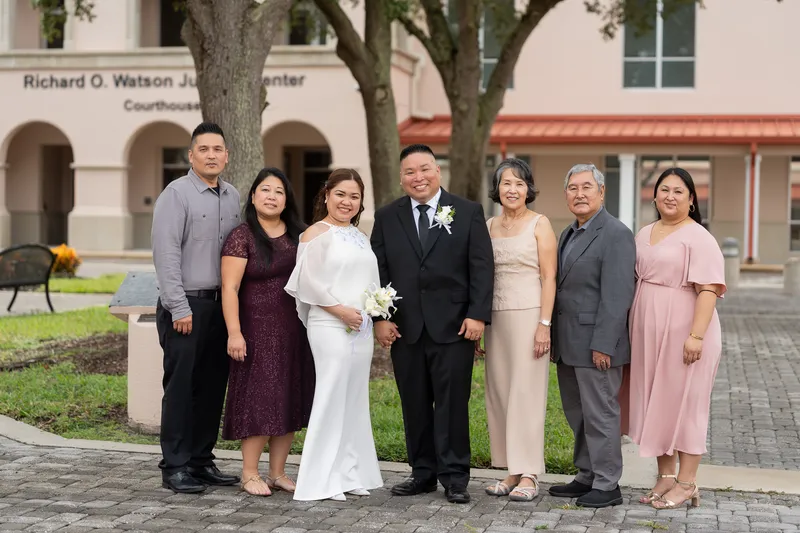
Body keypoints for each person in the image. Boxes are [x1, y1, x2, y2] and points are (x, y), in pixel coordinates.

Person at [370, 144, 494, 504]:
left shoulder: (467, 211)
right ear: (401, 177)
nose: (417, 177)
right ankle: (422, 473)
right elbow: (379, 270)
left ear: (438, 172)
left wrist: (477, 314)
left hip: (454, 326)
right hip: (405, 327)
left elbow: (482, 268)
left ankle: (455, 477)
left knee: (453, 403)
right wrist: (381, 318)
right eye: (410, 172)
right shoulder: (387, 216)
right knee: (414, 403)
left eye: (424, 169)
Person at [622, 168, 726, 509]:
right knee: (658, 401)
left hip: (687, 331)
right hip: (649, 334)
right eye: (664, 189)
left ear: (692, 199)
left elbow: (709, 289)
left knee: (688, 404)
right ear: (653, 197)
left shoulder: (699, 238)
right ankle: (665, 476)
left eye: (679, 191)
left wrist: (696, 336)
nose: (670, 196)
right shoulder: (644, 232)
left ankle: (687, 482)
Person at [151, 122, 241, 493]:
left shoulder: (233, 196)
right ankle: (174, 466)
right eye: (203, 149)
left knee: (211, 387)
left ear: (226, 155)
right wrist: (178, 307)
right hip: (185, 305)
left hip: (221, 308)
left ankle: (201, 460)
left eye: (217, 149)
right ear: (191, 155)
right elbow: (166, 252)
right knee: (181, 387)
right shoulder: (176, 194)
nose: (211, 155)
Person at [284, 168, 383, 502]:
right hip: (330, 325)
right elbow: (308, 283)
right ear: (326, 194)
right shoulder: (315, 233)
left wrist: (372, 308)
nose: (347, 201)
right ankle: (320, 479)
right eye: (341, 194)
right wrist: (340, 310)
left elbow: (369, 279)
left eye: (354, 196)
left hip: (360, 327)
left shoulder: (359, 236)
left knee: (354, 399)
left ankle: (349, 472)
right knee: (330, 395)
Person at [219, 168, 315, 497]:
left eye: (279, 191)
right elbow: (229, 289)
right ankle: (249, 473)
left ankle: (277, 473)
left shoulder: (300, 235)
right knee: (260, 401)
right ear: (254, 196)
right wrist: (234, 333)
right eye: (265, 189)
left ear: (287, 200)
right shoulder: (241, 236)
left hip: (294, 330)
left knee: (289, 398)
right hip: (255, 331)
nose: (271, 196)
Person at [548, 163, 635, 508]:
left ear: (602, 192)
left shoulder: (615, 233)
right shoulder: (569, 232)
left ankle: (608, 483)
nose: (579, 194)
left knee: (601, 414)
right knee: (578, 414)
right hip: (569, 344)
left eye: (587, 187)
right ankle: (587, 475)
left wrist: (604, 344)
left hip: (597, 345)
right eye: (573, 188)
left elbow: (617, 296)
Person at [482, 158, 557, 502]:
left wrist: (544, 324)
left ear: (529, 189)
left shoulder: (540, 224)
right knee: (500, 392)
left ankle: (529, 474)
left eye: (519, 183)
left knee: (526, 393)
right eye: (506, 183)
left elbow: (549, 277)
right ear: (496, 189)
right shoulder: (489, 225)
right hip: (496, 318)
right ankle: (511, 469)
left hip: (529, 315)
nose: (512, 189)